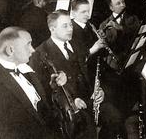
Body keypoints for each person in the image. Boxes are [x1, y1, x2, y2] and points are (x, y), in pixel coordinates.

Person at [0, 27, 66, 139]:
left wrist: (53, 87)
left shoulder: (24, 68)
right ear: (10, 50)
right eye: (28, 45)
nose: (33, 50)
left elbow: (38, 107)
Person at [30, 10, 104, 139]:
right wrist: (70, 101)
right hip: (68, 111)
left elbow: (89, 72)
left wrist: (98, 90)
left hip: (89, 99)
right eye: (65, 26)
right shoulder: (39, 54)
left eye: (70, 24)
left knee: (115, 119)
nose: (70, 29)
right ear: (52, 29)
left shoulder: (77, 44)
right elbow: (42, 91)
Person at [70, 0, 130, 139]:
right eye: (83, 12)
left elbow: (102, 53)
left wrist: (102, 40)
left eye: (88, 11)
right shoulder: (73, 31)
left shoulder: (89, 25)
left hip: (99, 67)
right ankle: (113, 127)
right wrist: (94, 47)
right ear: (74, 13)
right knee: (114, 91)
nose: (87, 15)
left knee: (125, 82)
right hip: (88, 73)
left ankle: (119, 127)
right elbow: (79, 59)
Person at [100, 0, 141, 139]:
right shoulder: (104, 23)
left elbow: (138, 33)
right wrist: (103, 37)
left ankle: (131, 120)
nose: (122, 5)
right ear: (111, 7)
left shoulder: (132, 19)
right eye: (118, 3)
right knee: (118, 96)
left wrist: (120, 28)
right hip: (115, 67)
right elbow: (106, 46)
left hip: (131, 62)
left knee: (131, 93)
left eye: (123, 2)